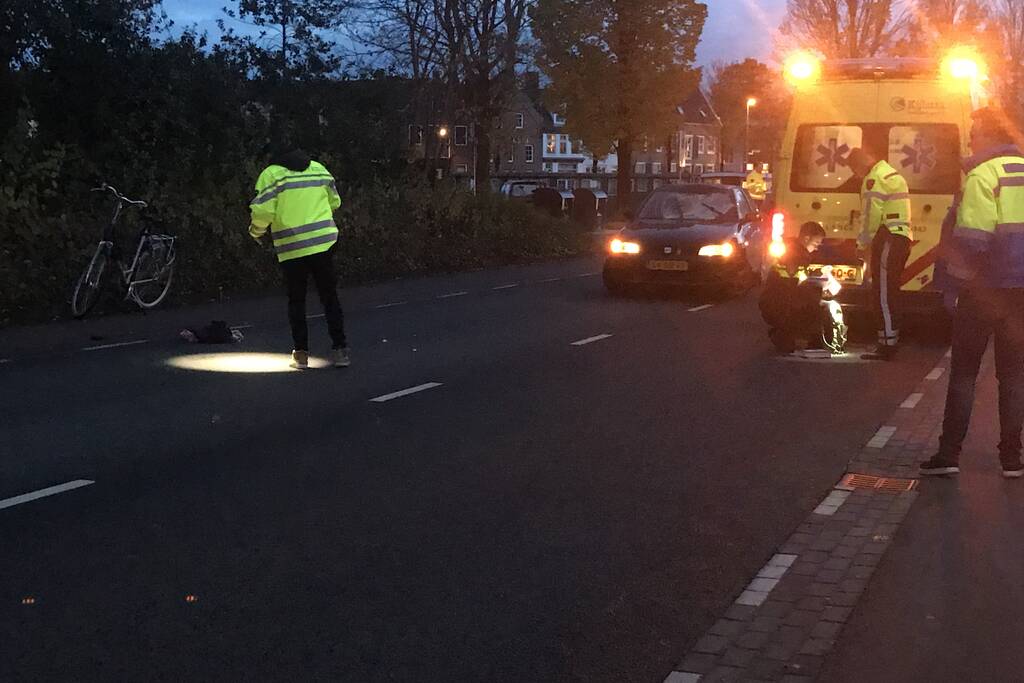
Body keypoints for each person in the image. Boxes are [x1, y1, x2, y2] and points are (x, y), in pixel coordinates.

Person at [920, 106, 1024, 478]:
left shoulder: (983, 176)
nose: (971, 139)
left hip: (983, 291)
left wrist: (953, 289)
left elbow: (971, 243)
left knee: (965, 373)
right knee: (1013, 375)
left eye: (975, 132)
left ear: (990, 137)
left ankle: (949, 455)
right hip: (1021, 294)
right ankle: (1012, 458)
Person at [249, 143, 350, 370]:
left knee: (297, 300)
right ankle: (341, 350)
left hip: (292, 248)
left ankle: (302, 355)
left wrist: (256, 232)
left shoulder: (272, 175)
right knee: (329, 297)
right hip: (324, 243)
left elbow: (263, 210)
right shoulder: (318, 169)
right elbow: (335, 201)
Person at [846, 147, 913, 361]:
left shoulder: (873, 179)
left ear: (859, 165)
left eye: (856, 171)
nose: (858, 176)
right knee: (890, 290)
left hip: (888, 238)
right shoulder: (891, 174)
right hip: (901, 238)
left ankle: (887, 345)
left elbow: (870, 216)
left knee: (882, 292)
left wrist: (862, 243)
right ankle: (890, 338)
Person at [759, 221, 826, 353]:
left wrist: (816, 275)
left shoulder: (794, 250)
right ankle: (786, 334)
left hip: (776, 301)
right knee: (815, 306)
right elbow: (794, 281)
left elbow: (798, 276)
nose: (817, 248)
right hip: (779, 303)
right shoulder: (795, 254)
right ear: (806, 238)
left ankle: (783, 333)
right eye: (815, 244)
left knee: (809, 302)